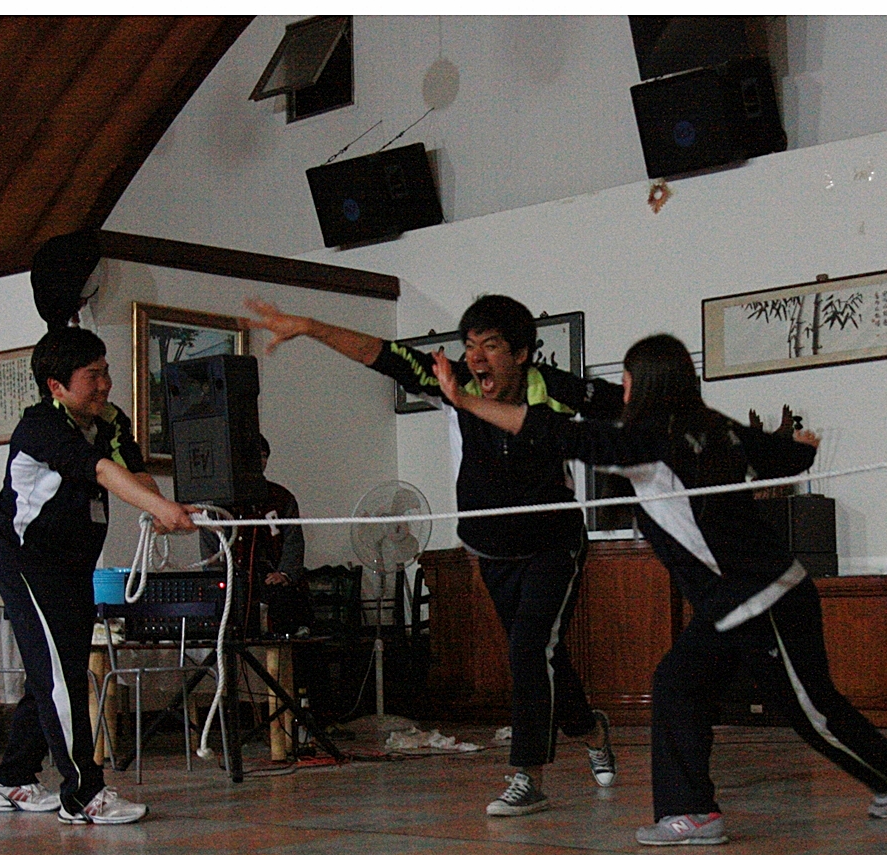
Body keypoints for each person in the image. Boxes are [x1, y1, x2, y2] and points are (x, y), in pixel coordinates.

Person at [434, 334, 887, 845]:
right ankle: (692, 813)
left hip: (766, 598)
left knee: (808, 709)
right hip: (729, 606)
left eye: (625, 381)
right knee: (677, 685)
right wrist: (803, 448)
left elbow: (556, 433)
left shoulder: (649, 441)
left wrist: (465, 400)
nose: (621, 391)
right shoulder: (712, 426)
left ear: (641, 386)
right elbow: (782, 458)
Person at [244, 295, 619, 815]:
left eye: (491, 346)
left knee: (530, 649)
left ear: (522, 353)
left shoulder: (557, 390)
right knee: (539, 654)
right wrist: (309, 325)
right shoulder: (453, 380)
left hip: (552, 543)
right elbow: (381, 354)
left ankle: (527, 776)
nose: (477, 358)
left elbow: (636, 406)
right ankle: (590, 729)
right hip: (491, 548)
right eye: (470, 346)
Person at [0, 325, 199, 824]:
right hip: (29, 568)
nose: (105, 384)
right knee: (61, 679)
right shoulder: (41, 426)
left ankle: (12, 780)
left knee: (51, 673)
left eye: (106, 372)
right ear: (56, 386)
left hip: (73, 569)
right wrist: (159, 508)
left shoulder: (110, 420)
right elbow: (101, 470)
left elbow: (132, 468)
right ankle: (83, 795)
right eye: (92, 375)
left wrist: (161, 508)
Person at [201, 435, 312, 637]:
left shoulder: (281, 498)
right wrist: (217, 579)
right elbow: (210, 549)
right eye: (254, 456)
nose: (260, 461)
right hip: (232, 587)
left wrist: (285, 574)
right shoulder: (216, 504)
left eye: (263, 456)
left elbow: (294, 541)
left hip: (272, 585)